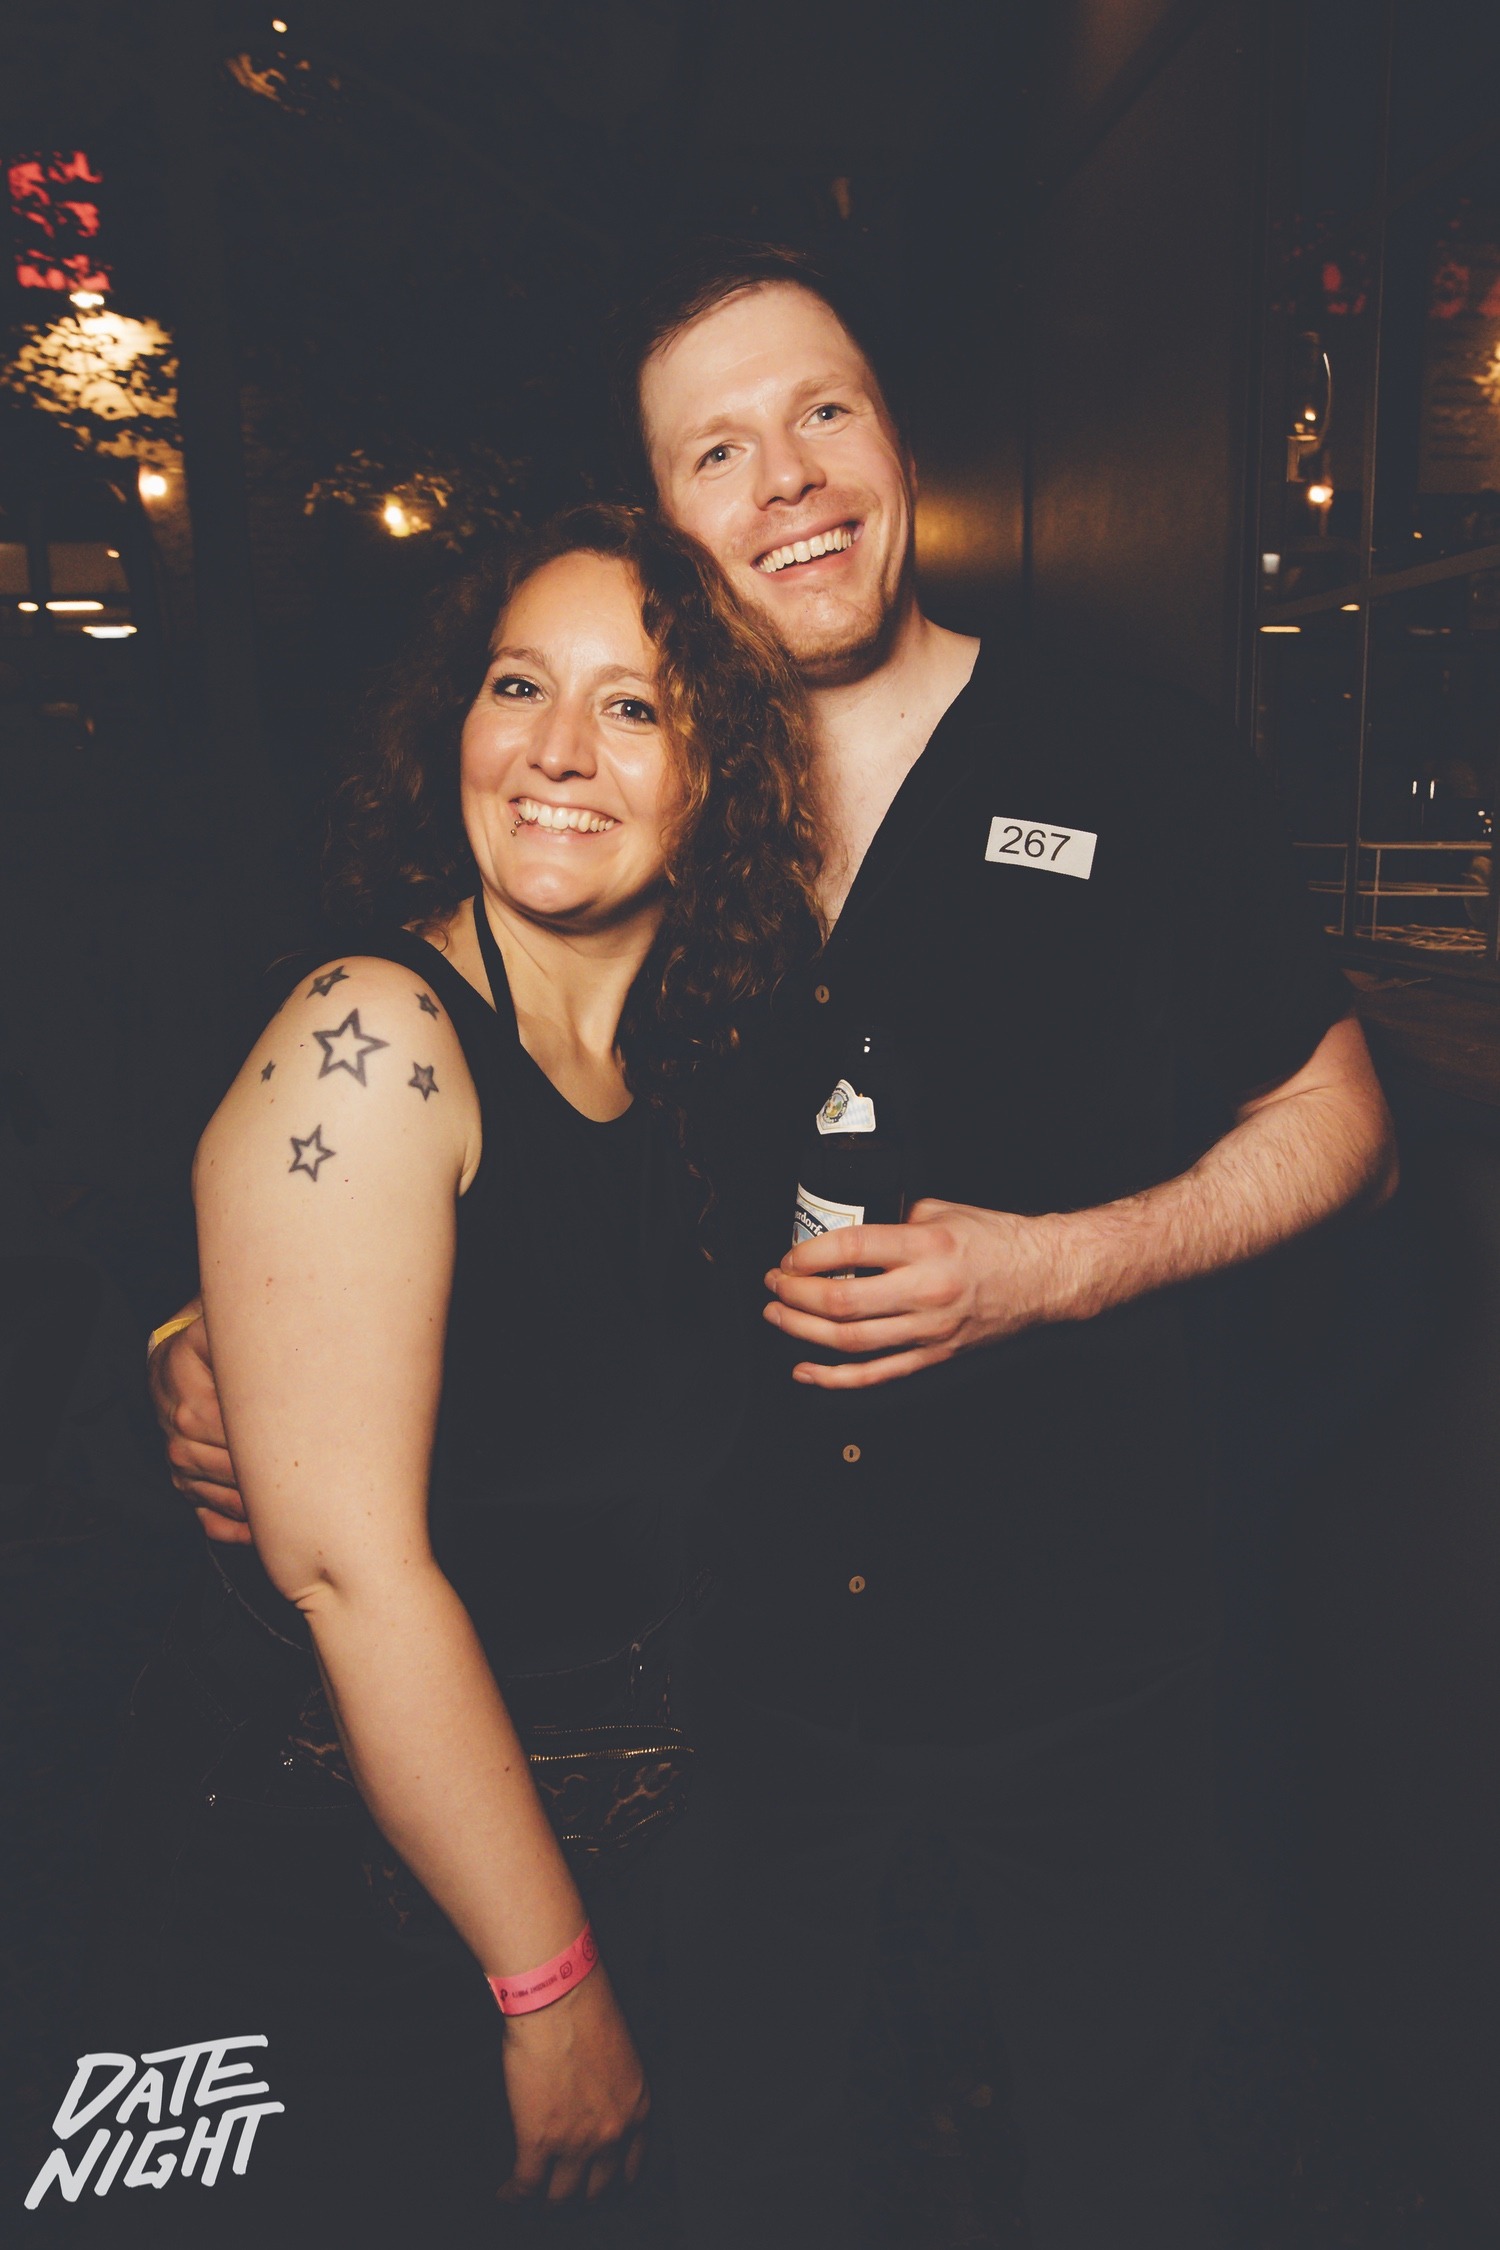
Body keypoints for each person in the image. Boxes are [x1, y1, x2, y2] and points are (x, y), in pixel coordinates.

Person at [153, 244, 1398, 2246]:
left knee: (1147, 2172)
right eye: (717, 449)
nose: (790, 477)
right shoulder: (655, 822)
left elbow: (1346, 1124)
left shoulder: (1128, 752)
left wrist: (1057, 1266)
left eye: (824, 411)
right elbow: (460, 1126)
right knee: (772, 2185)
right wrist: (224, 1324)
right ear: (664, 522)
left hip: (1093, 1683)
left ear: (897, 434)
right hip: (738, 1739)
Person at [93, 502, 818, 2246]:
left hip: (608, 1859)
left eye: (633, 706)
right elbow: (353, 1571)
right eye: (518, 685)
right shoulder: (375, 1043)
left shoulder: (693, 1060)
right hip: (331, 1910)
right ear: (456, 724)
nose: (559, 749)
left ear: (715, 773)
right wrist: (550, 1987)